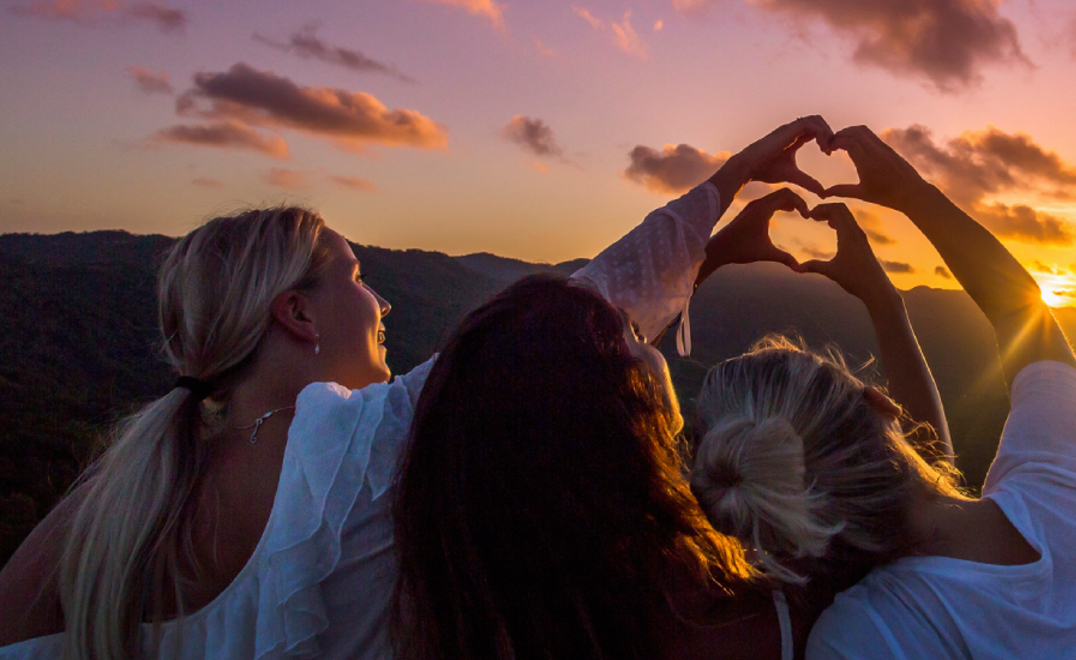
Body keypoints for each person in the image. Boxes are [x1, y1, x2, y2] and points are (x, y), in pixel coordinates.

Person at [0, 117, 830, 660]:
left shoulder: (121, 495)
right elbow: (578, 315)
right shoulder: (358, 444)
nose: (383, 301)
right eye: (357, 278)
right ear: (297, 314)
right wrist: (731, 181)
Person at [689, 125, 1076, 659]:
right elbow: (1022, 309)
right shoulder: (1074, 492)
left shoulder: (865, 634)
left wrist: (703, 259)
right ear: (881, 403)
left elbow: (929, 501)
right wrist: (909, 194)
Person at [391, 118, 842, 660]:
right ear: (611, 423)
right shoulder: (738, 611)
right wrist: (885, 306)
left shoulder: (480, 604)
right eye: (633, 332)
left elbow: (548, 346)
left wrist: (725, 218)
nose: (645, 329)